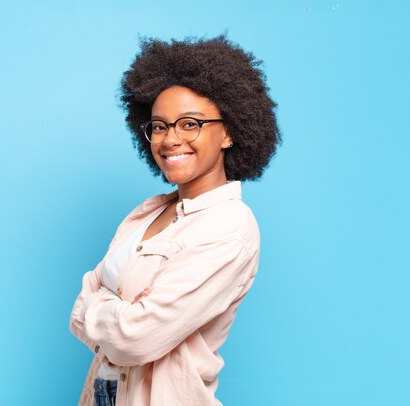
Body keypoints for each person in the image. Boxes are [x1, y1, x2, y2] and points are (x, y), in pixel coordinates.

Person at [69, 35, 281, 406]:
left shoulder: (229, 226)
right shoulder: (149, 211)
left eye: (189, 124)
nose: (171, 139)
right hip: (104, 394)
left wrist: (97, 310)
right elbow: (90, 295)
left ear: (230, 131)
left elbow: (134, 338)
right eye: (160, 126)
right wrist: (114, 318)